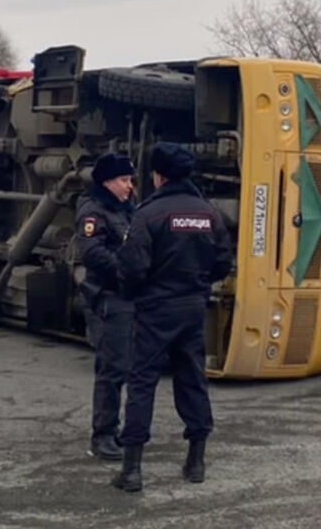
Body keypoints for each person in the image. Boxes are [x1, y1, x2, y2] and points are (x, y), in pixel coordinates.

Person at [112, 142, 234, 493]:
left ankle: (131, 470)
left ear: (159, 176)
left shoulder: (148, 215)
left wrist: (135, 292)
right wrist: (196, 285)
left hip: (154, 309)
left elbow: (132, 267)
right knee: (192, 379)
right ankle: (196, 462)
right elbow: (222, 263)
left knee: (142, 383)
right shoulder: (208, 214)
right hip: (193, 307)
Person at [75, 153, 137, 461]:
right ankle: (103, 435)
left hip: (125, 296)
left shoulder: (126, 210)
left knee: (124, 366)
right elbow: (92, 252)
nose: (130, 186)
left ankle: (115, 430)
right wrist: (127, 269)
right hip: (107, 297)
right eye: (124, 180)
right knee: (112, 368)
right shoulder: (93, 211)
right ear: (107, 182)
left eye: (131, 180)